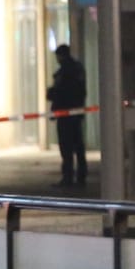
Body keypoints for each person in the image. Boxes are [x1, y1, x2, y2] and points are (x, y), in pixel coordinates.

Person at [47, 44, 88, 187]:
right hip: (76, 113)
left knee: (66, 148)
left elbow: (59, 93)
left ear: (61, 56)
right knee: (78, 146)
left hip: (65, 115)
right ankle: (81, 176)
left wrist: (51, 97)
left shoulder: (65, 71)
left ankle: (68, 177)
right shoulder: (77, 69)